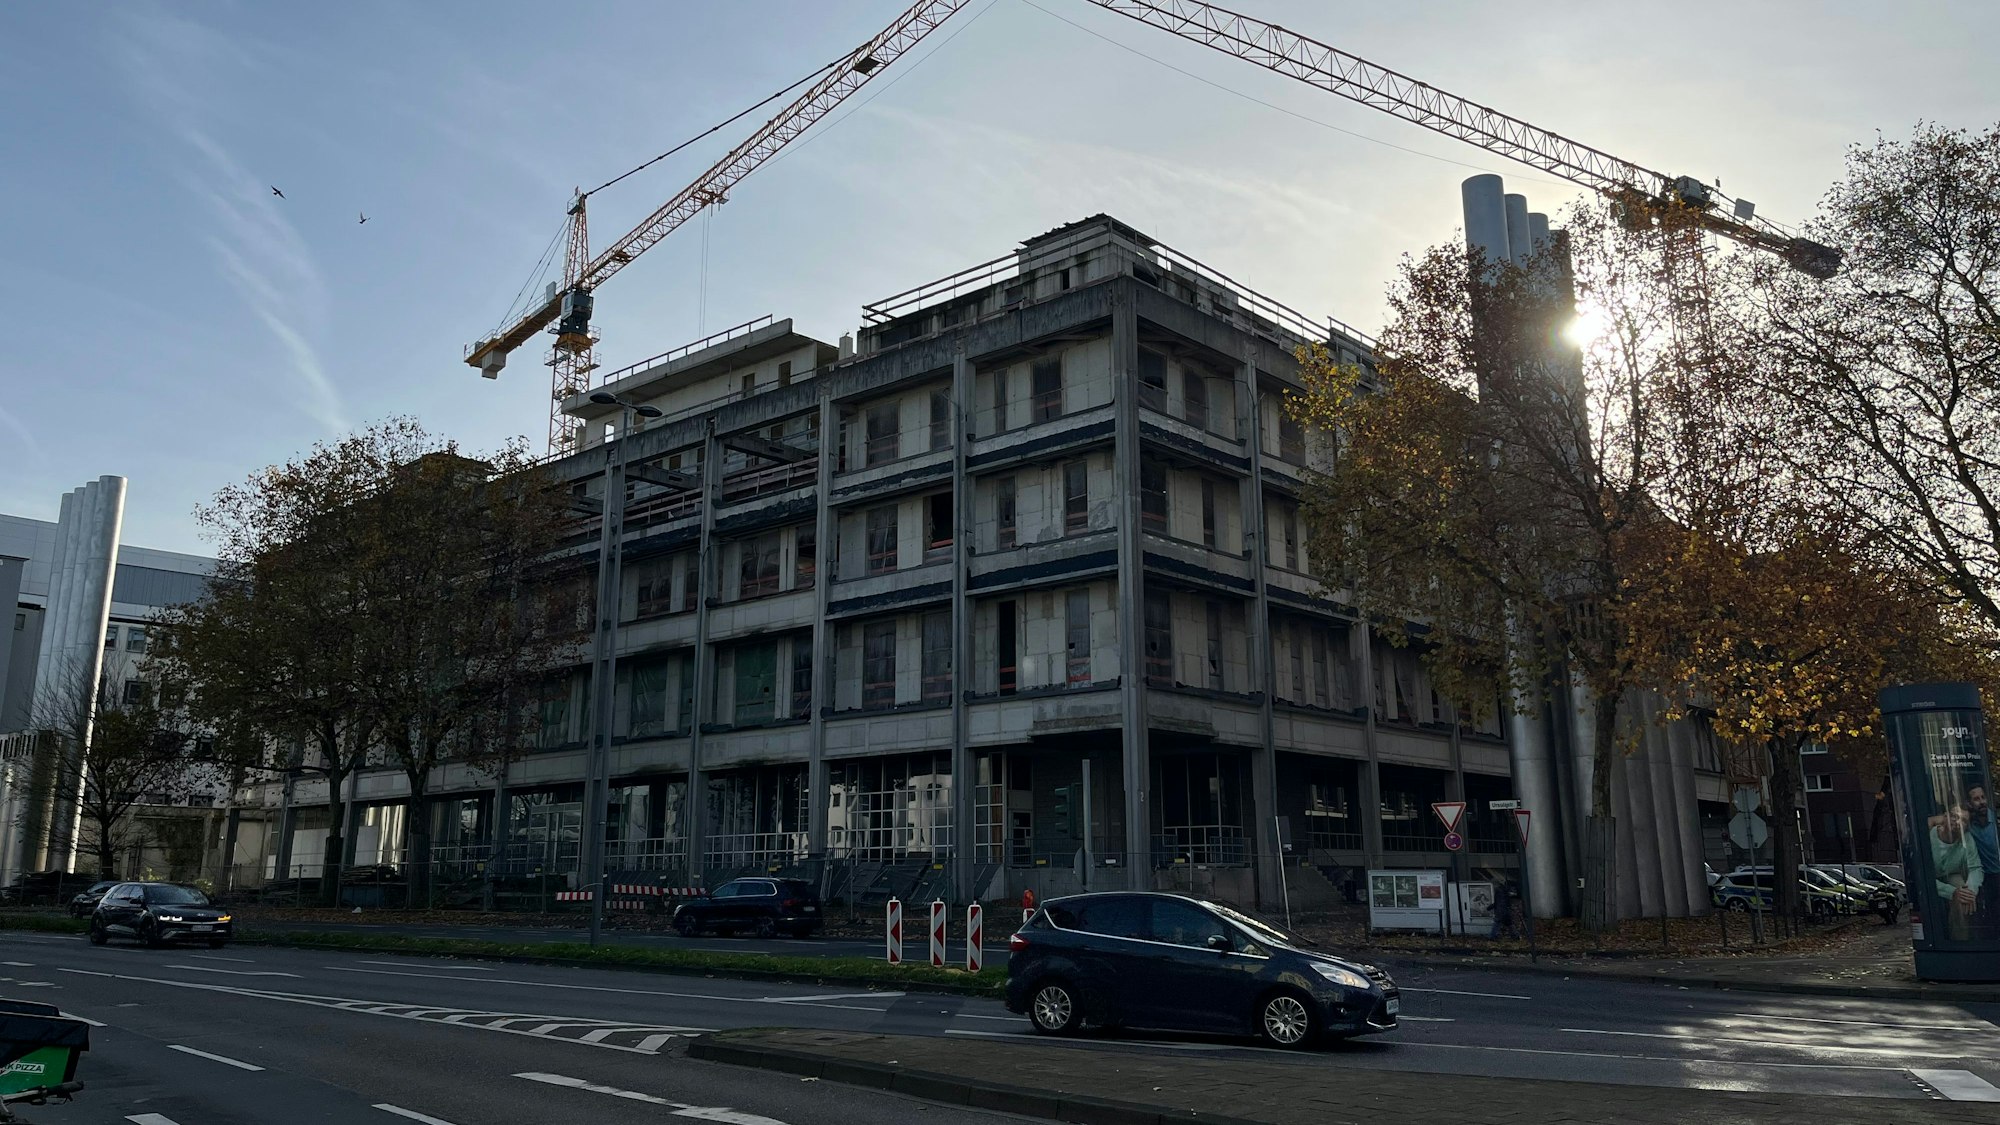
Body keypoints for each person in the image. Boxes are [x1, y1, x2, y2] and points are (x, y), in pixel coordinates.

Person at [1930, 805, 1984, 942]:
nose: (1958, 822)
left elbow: (1975, 868)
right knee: (1958, 891)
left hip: (1952, 876)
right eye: (1954, 816)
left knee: (1962, 890)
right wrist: (1951, 892)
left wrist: (1970, 891)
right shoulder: (1928, 837)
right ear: (1945, 817)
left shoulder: (1967, 839)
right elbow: (1924, 877)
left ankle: (1960, 943)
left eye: (1964, 820)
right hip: (1929, 881)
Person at [1966, 785, 2000, 934]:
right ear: (1969, 804)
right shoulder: (1968, 826)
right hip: (1985, 877)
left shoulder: (1997, 821)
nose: (1981, 802)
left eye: (1983, 797)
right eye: (1976, 799)